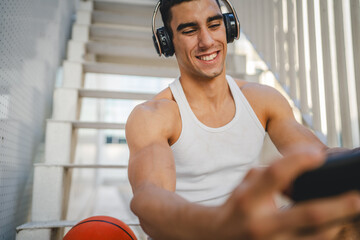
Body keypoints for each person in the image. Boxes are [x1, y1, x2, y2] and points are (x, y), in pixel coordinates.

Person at [125, 0, 360, 239]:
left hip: (256, 231)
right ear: (166, 42)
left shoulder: (261, 98)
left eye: (214, 25)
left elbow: (318, 157)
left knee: (350, 216)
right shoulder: (153, 116)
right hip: (197, 232)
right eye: (189, 30)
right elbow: (148, 199)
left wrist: (353, 161)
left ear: (229, 27)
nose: (207, 41)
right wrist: (218, 223)